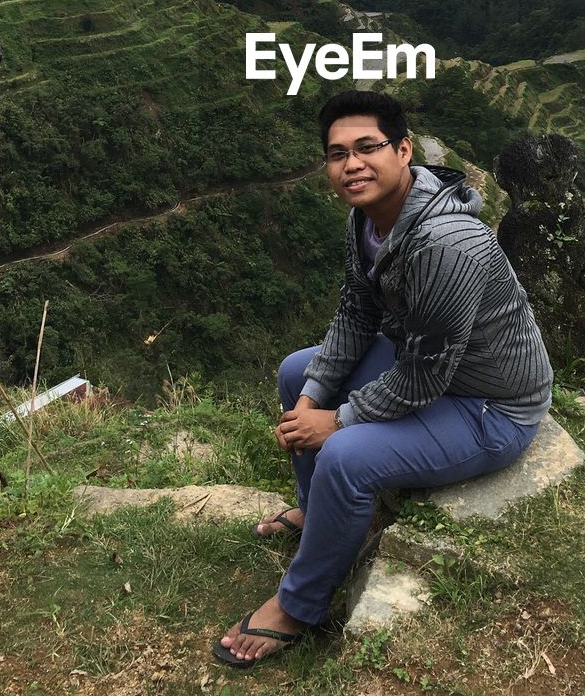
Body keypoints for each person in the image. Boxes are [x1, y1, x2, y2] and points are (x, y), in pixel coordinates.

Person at [214, 90, 553, 668]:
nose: (352, 164)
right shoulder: (367, 219)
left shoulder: (447, 242)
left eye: (367, 147)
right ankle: (318, 509)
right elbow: (356, 313)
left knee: (345, 453)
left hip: (490, 404)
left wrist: (338, 418)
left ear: (403, 150)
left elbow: (423, 377)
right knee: (299, 372)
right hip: (432, 368)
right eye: (337, 153)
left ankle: (300, 605)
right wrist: (310, 398)